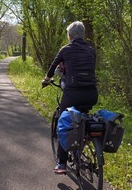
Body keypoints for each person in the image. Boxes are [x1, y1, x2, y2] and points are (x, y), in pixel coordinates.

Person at [42, 21, 98, 174]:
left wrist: (46, 80)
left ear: (70, 35)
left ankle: (61, 162)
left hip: (73, 93)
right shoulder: (91, 50)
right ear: (83, 35)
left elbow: (53, 68)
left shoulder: (66, 49)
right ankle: (83, 144)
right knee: (84, 117)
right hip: (92, 94)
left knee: (63, 119)